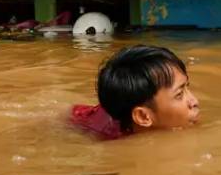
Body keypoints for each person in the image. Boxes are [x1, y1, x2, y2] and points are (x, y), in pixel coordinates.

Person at [70, 45, 200, 140]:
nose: (194, 101)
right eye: (179, 95)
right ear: (143, 116)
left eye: (187, 87)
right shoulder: (116, 145)